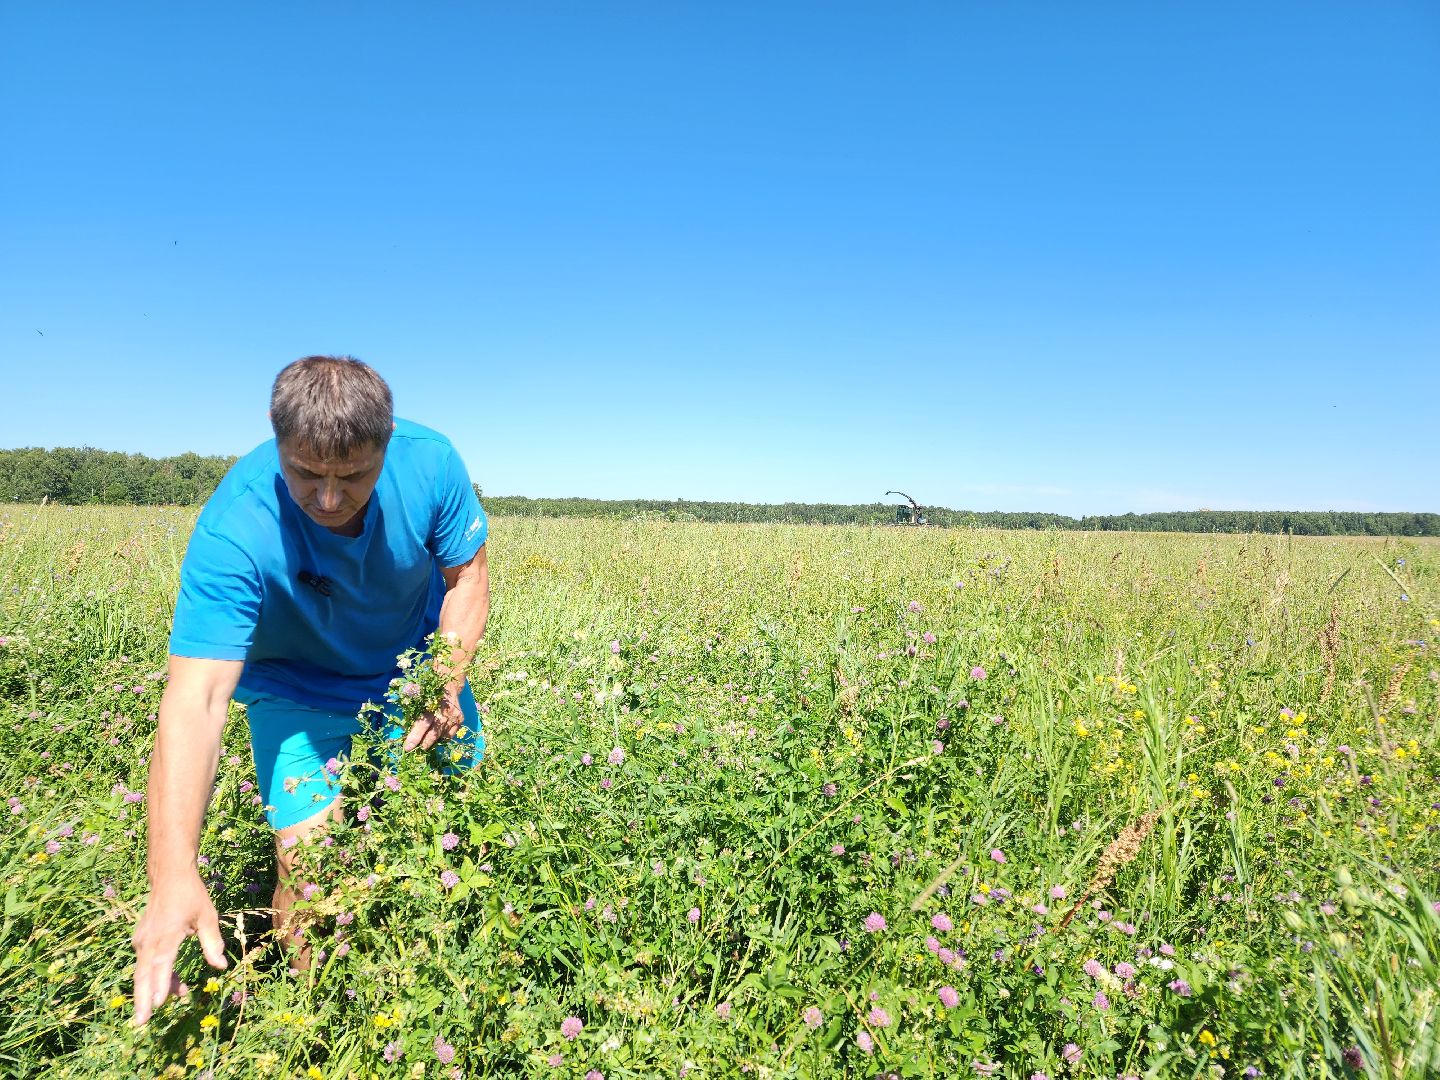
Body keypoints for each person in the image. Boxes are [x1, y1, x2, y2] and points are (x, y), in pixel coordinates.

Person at [130, 355, 490, 1025]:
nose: (327, 498)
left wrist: (445, 676)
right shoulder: (235, 528)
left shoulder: (432, 464)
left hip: (417, 673)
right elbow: (197, 699)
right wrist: (172, 871)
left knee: (460, 826)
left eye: (352, 476)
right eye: (305, 472)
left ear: (386, 446)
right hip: (298, 689)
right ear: (276, 441)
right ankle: (312, 1019)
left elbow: (467, 577)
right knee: (310, 869)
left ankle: (453, 991)